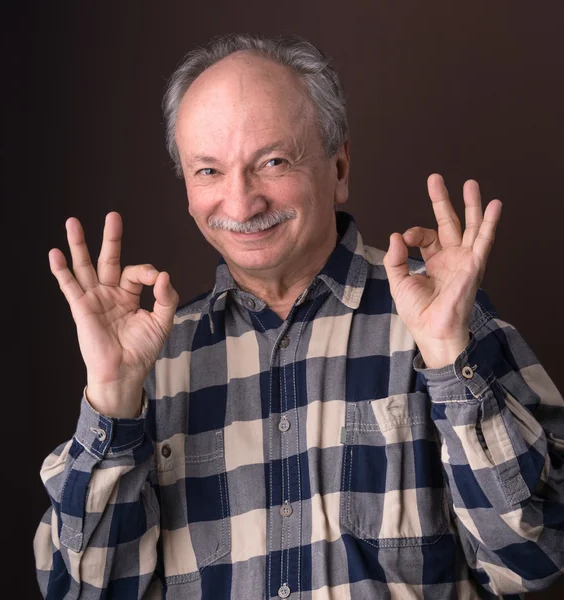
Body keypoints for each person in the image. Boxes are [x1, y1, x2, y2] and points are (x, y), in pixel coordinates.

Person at [34, 33, 564, 600]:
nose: (240, 204)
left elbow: (534, 560)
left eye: (273, 161)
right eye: (208, 171)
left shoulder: (442, 316)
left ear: (338, 167)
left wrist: (452, 360)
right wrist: (112, 402)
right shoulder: (152, 360)